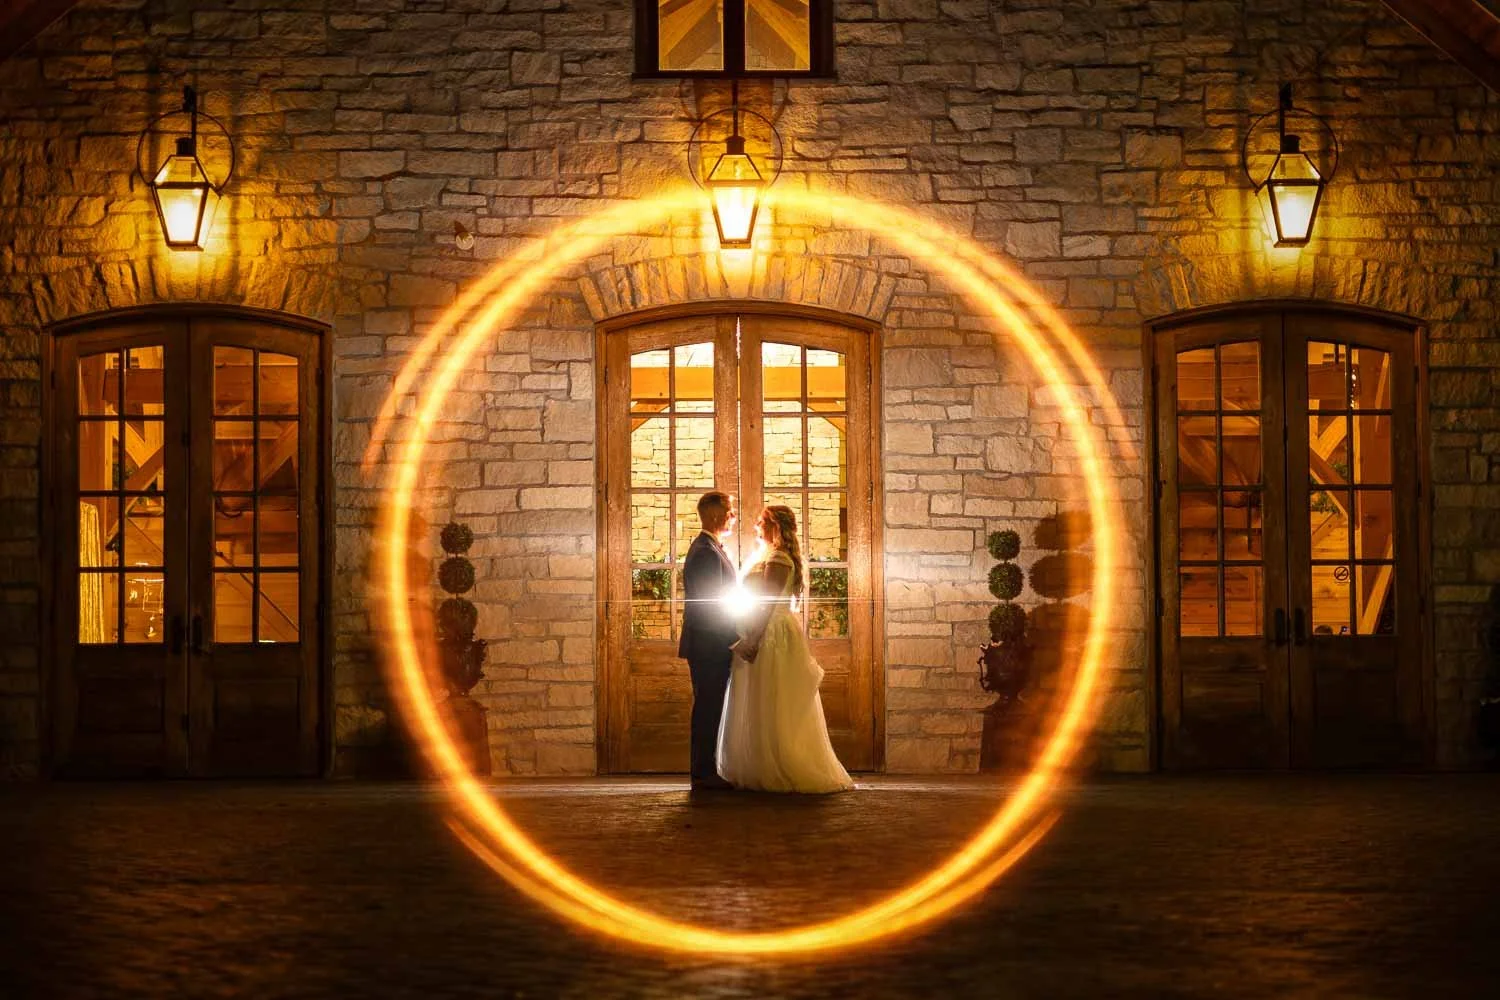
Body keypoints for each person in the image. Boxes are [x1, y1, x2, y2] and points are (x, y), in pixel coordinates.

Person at [717, 505, 854, 794]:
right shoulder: (767, 555)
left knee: (771, 696)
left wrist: (753, 639)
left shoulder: (778, 558)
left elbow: (768, 603)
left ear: (775, 527)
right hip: (762, 628)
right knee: (759, 697)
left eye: (761, 522)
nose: (756, 526)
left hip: (771, 633)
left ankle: (779, 764)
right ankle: (759, 763)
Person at [677, 491, 739, 791]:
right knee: (707, 708)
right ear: (716, 515)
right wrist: (734, 640)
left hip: (710, 643)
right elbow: (710, 606)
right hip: (709, 645)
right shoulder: (705, 552)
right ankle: (703, 774)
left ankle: (707, 770)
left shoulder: (710, 548)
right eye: (730, 512)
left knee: (711, 706)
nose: (733, 517)